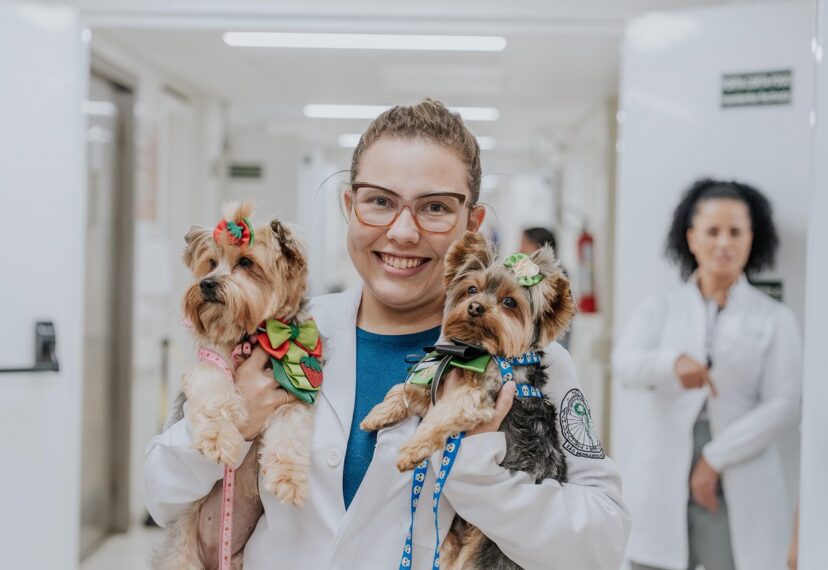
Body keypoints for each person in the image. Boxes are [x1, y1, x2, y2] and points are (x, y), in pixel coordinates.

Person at [144, 99, 630, 569]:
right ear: (349, 206)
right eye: (379, 202)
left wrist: (480, 473)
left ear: (473, 224)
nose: (402, 231)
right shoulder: (275, 341)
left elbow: (602, 541)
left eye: (435, 207)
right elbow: (161, 496)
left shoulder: (529, 363)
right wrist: (238, 422)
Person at [612, 179, 802, 570]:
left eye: (735, 231)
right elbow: (624, 364)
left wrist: (715, 458)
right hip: (666, 467)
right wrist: (671, 364)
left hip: (737, 462)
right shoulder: (660, 308)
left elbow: (785, 403)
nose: (724, 243)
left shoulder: (775, 318)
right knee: (655, 560)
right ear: (692, 238)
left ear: (752, 238)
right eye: (712, 231)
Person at [520, 227, 571, 350]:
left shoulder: (553, 278)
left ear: (537, 248)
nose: (520, 249)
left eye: (524, 244)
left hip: (548, 344)